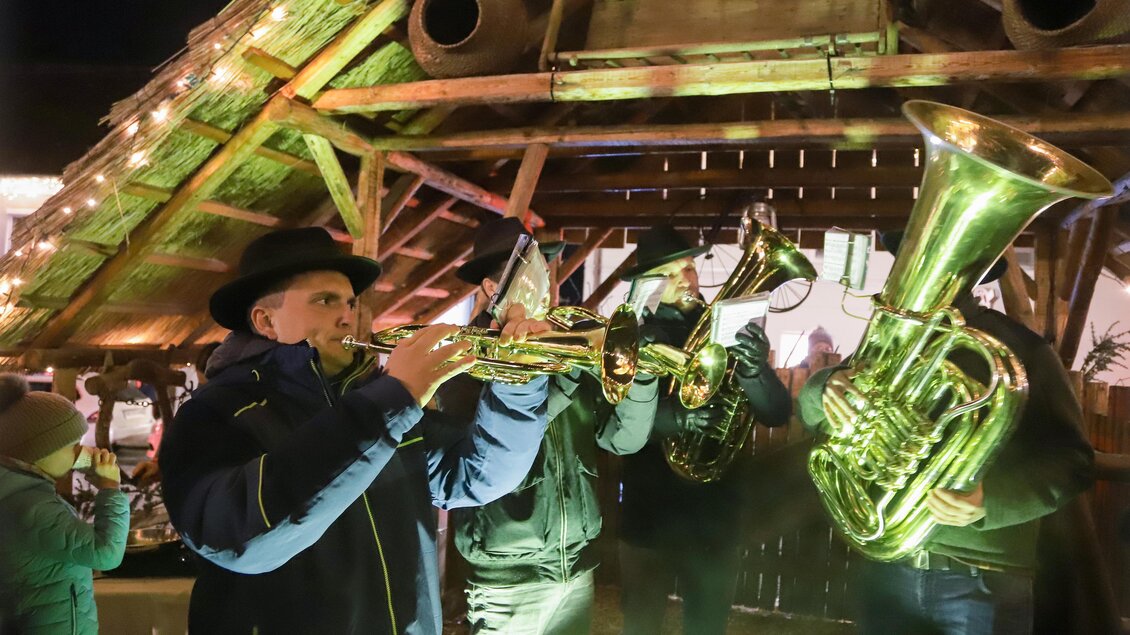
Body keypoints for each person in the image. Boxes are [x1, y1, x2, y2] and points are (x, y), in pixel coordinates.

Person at [159, 227, 551, 634]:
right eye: (324, 300)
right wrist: (393, 399)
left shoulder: (370, 396)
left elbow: (476, 477)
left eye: (349, 302)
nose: (348, 315)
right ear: (266, 320)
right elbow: (237, 539)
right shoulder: (212, 413)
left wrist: (518, 384)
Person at [797, 230, 1095, 635]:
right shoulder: (889, 339)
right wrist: (825, 386)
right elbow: (816, 415)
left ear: (976, 270)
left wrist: (992, 500)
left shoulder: (1023, 349)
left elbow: (1074, 461)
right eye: (913, 258)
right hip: (889, 569)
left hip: (981, 579)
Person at [437, 217, 659, 634]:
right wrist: (563, 381)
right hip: (506, 580)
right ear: (492, 288)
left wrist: (641, 375)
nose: (545, 292)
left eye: (545, 277)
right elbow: (483, 451)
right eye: (530, 281)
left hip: (577, 568)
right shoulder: (461, 357)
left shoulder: (565, 345)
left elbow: (623, 440)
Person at [616, 224, 793, 635]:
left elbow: (776, 413)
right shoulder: (628, 335)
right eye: (668, 274)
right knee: (641, 625)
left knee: (707, 626)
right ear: (645, 284)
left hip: (715, 516)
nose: (684, 280)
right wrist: (678, 418)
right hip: (649, 513)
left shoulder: (728, 328)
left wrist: (755, 370)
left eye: (688, 269)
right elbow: (613, 420)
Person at [0, 374, 127, 634]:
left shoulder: (21, 494)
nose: (81, 452)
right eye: (73, 445)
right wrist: (110, 488)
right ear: (39, 451)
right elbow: (106, 553)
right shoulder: (33, 508)